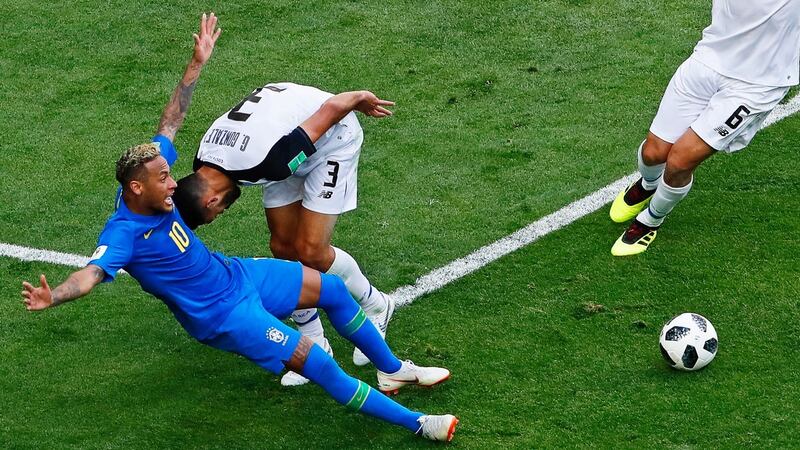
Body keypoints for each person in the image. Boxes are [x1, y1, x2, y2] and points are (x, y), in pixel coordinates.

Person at [20, 13, 458, 442]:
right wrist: (52, 295)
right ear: (136, 188)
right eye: (164, 178)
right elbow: (91, 274)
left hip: (235, 274)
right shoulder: (123, 233)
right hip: (225, 315)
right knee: (321, 368)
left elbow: (170, 121)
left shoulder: (152, 185)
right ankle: (419, 423)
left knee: (333, 291)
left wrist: (196, 64)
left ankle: (394, 369)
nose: (174, 181)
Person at [172, 82, 397, 386]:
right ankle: (315, 340)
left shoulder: (268, 163)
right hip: (282, 144)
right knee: (282, 247)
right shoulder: (204, 161)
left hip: (332, 140)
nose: (221, 213)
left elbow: (330, 110)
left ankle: (377, 305)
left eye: (215, 214)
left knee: (312, 250)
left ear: (210, 200)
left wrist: (359, 98)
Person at [609, 0, 799, 256]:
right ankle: (648, 184)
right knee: (653, 153)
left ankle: (651, 220)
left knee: (680, 161)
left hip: (756, 84)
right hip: (707, 61)